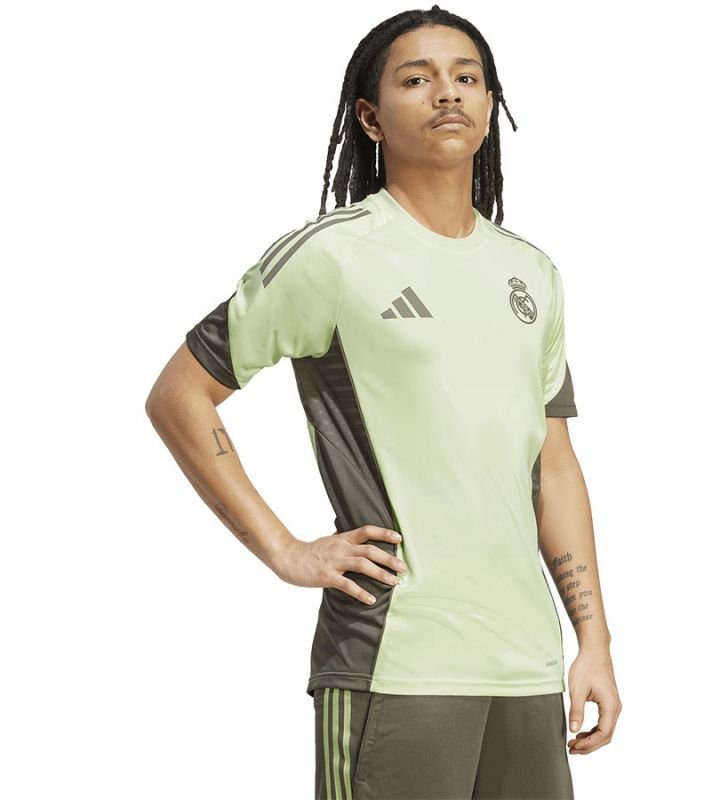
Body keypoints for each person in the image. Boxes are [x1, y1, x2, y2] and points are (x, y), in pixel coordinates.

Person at [145, 5, 621, 798]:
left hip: (526, 669)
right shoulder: (333, 255)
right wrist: (285, 550)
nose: (448, 92)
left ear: (490, 105)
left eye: (467, 77)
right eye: (417, 79)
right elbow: (180, 395)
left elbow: (557, 468)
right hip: (396, 662)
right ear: (371, 117)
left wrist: (593, 642)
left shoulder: (532, 274)